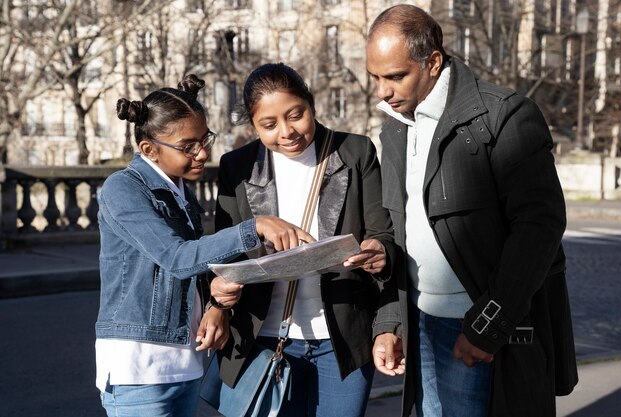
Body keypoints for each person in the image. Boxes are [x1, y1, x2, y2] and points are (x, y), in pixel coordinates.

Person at [366, 5, 578, 417]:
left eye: (394, 76)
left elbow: (540, 227)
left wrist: (486, 327)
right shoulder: (393, 125)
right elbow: (396, 224)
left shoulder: (505, 114)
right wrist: (391, 319)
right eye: (375, 76)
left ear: (432, 62)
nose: (382, 91)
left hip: (473, 326)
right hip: (419, 321)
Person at [95, 74, 314, 417]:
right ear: (149, 149)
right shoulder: (122, 189)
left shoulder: (182, 191)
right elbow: (176, 258)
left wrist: (216, 302)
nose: (202, 153)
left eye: (204, 139)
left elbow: (194, 272)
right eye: (187, 146)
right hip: (139, 368)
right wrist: (255, 226)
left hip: (185, 362)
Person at [205, 63, 397, 417]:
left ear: (311, 103)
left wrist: (378, 251)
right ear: (253, 125)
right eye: (269, 125)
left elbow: (382, 233)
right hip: (262, 339)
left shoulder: (355, 152)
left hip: (340, 336)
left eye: (296, 115)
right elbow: (224, 251)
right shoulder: (238, 166)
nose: (287, 131)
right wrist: (218, 300)